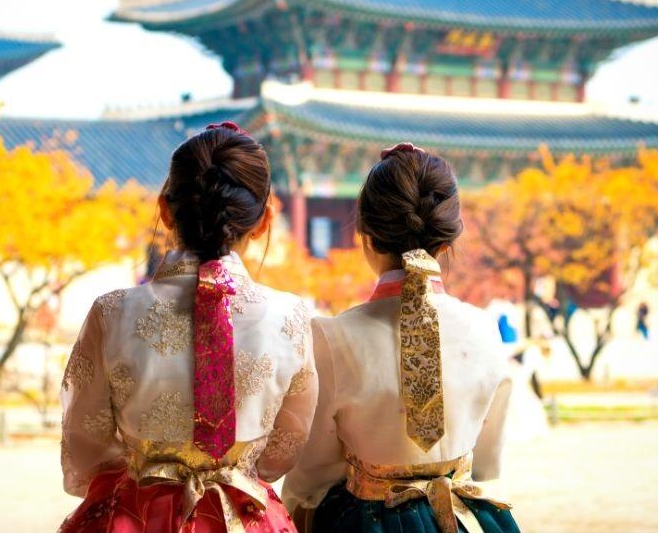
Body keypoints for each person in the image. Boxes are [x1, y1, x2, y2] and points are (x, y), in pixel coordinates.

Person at [59, 122, 318, 533]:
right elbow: (285, 446)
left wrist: (146, 474)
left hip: (136, 514)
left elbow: (86, 442)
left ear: (165, 209)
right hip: (244, 514)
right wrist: (238, 469)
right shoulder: (291, 317)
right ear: (264, 220)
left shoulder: (111, 313)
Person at [282, 143, 519, 533]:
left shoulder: (330, 336)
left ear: (367, 237)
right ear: (446, 242)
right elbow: (487, 461)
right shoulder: (485, 327)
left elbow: (314, 473)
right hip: (462, 518)